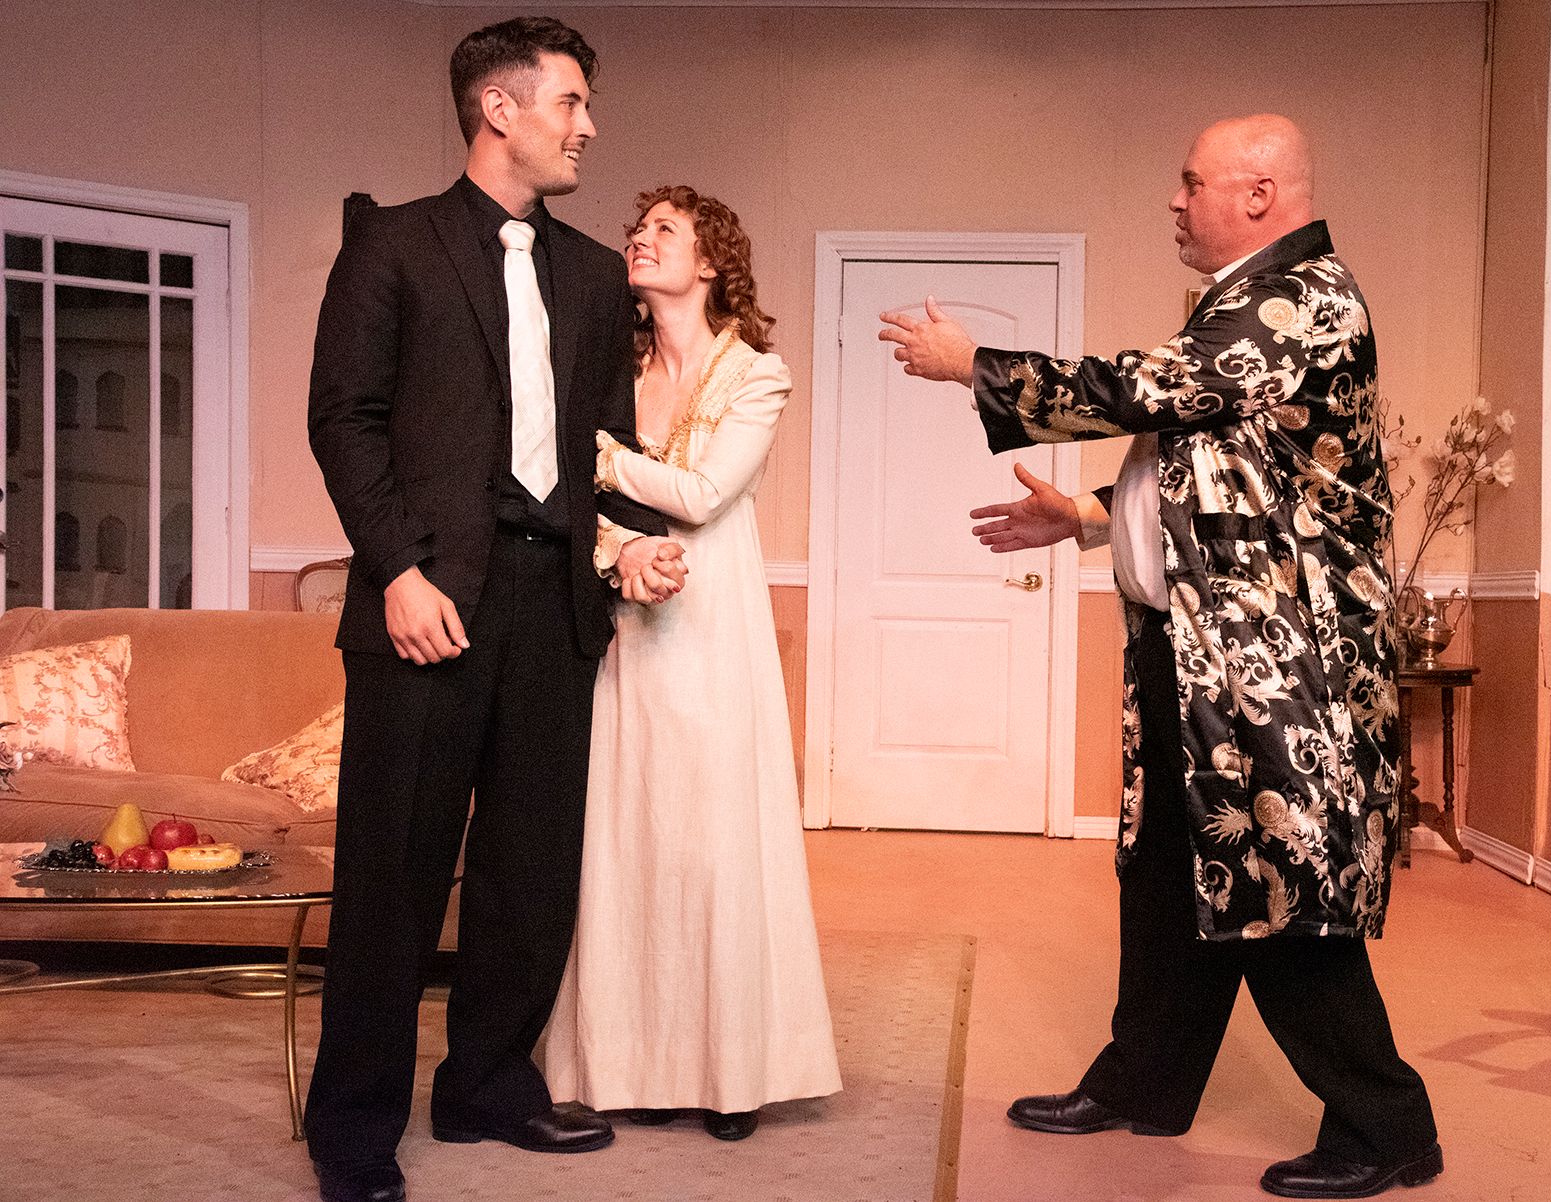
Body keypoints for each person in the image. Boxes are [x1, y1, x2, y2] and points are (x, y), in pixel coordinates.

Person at [877, 114, 1442, 1200]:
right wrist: (1090, 516)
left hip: (1276, 666)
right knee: (1169, 876)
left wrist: (973, 366)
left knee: (1281, 888)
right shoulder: (1239, 303)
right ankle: (1146, 1080)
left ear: (1260, 193)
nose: (1175, 201)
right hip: (1198, 650)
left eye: (1192, 182)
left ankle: (1388, 1127)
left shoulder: (1301, 298)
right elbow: (1222, 468)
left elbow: (1144, 389)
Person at [304, 18, 687, 1202]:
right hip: (424, 598)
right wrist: (398, 571)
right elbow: (344, 419)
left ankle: (486, 1082)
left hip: (552, 606)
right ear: (499, 109)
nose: (589, 127)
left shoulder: (593, 276)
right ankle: (353, 1126)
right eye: (571, 102)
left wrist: (625, 550)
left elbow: (603, 447)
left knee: (530, 874)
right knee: (394, 877)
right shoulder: (392, 244)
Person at [543, 186, 842, 1141]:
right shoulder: (610, 369)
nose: (640, 239)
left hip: (713, 623)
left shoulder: (757, 373)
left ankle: (730, 1072)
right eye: (638, 228)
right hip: (626, 615)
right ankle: (632, 1064)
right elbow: (570, 509)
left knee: (712, 842)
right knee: (630, 835)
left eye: (664, 230)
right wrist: (614, 547)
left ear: (711, 261)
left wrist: (594, 457)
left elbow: (706, 492)